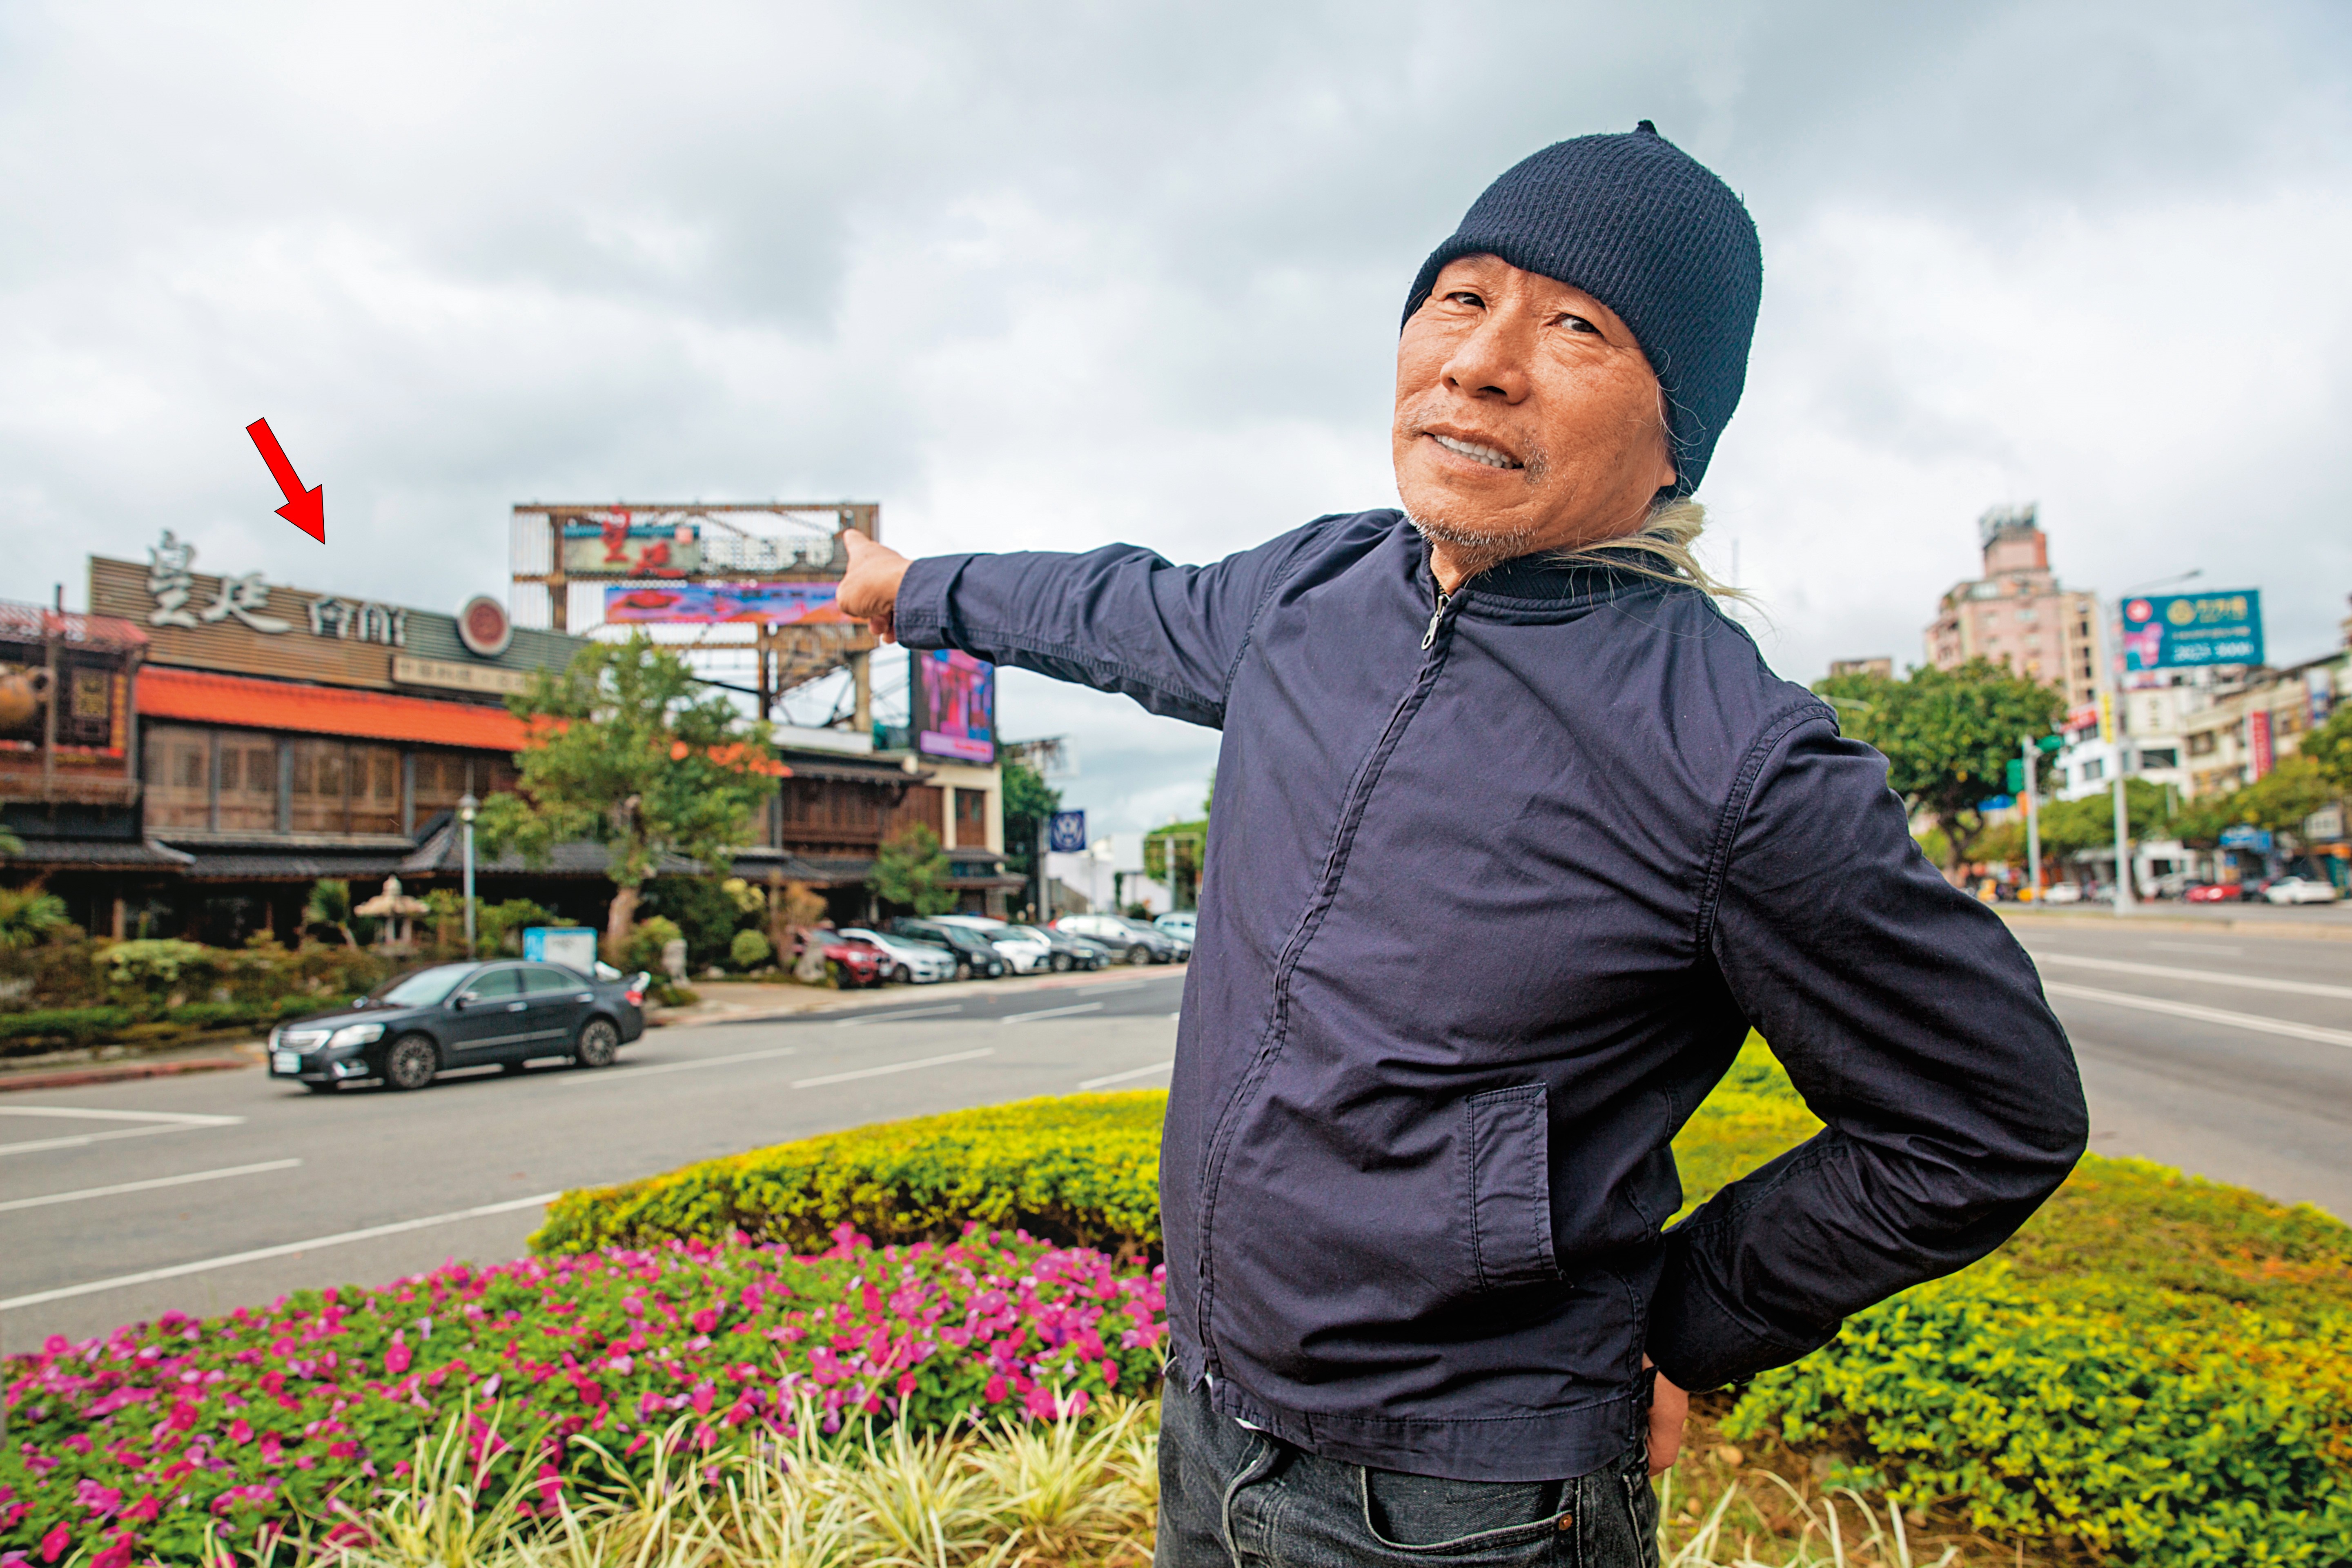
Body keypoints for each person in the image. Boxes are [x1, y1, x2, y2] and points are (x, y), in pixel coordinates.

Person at [837, 125, 2086, 1567]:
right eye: (1461, 296)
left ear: (1676, 429)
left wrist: (1691, 1324)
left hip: (1466, 1506)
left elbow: (1988, 1114)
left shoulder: (1740, 757)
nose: (1484, 362)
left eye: (1577, 327)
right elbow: (1119, 604)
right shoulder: (1312, 591)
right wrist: (914, 588)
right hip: (1210, 1418)